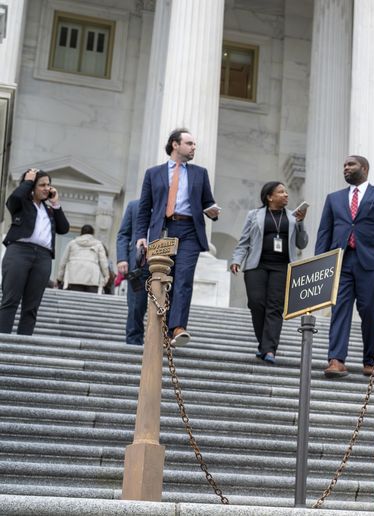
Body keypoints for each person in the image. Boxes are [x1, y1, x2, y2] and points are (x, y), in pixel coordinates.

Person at [315, 155, 374, 378]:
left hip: (372, 263)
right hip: (342, 261)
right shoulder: (333, 198)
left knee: (369, 311)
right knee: (339, 310)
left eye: (350, 164)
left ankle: (370, 359)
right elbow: (324, 232)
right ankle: (336, 359)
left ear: (363, 168)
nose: (345, 168)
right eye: (344, 165)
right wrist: (319, 263)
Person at [134, 128, 220, 347]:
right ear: (175, 145)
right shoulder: (153, 173)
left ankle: (178, 327)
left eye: (194, 145)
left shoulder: (200, 173)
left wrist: (212, 211)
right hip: (164, 229)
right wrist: (141, 236)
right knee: (163, 279)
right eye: (189, 143)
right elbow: (145, 209)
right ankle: (162, 329)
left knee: (183, 278)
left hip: (190, 230)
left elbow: (208, 202)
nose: (193, 148)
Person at [230, 181, 308, 364]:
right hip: (257, 266)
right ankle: (264, 344)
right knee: (256, 303)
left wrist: (301, 223)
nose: (286, 194)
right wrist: (236, 260)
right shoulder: (254, 215)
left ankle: (270, 349)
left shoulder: (292, 217)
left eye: (286, 191)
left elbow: (302, 243)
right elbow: (244, 241)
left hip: (282, 267)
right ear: (269, 196)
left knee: (275, 307)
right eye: (281, 192)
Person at [0, 168, 70, 335]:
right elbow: (13, 199)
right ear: (32, 186)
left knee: (31, 306)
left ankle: (23, 345)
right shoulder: (21, 203)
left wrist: (56, 204)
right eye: (42, 185)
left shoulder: (49, 210)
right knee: (10, 300)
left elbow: (64, 228)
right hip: (19, 251)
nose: (47, 188)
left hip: (43, 257)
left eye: (49, 185)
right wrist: (28, 182)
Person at [116, 200, 148, 345]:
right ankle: (134, 342)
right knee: (136, 306)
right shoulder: (134, 206)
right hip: (137, 264)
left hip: (162, 264)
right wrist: (122, 258)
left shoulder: (169, 207)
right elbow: (123, 234)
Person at [56, 225, 108, 293]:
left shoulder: (72, 243)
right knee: (90, 301)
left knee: (73, 301)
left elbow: (63, 262)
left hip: (74, 277)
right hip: (92, 278)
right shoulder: (98, 244)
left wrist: (59, 278)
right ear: (93, 233)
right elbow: (103, 262)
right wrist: (106, 276)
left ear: (81, 233)